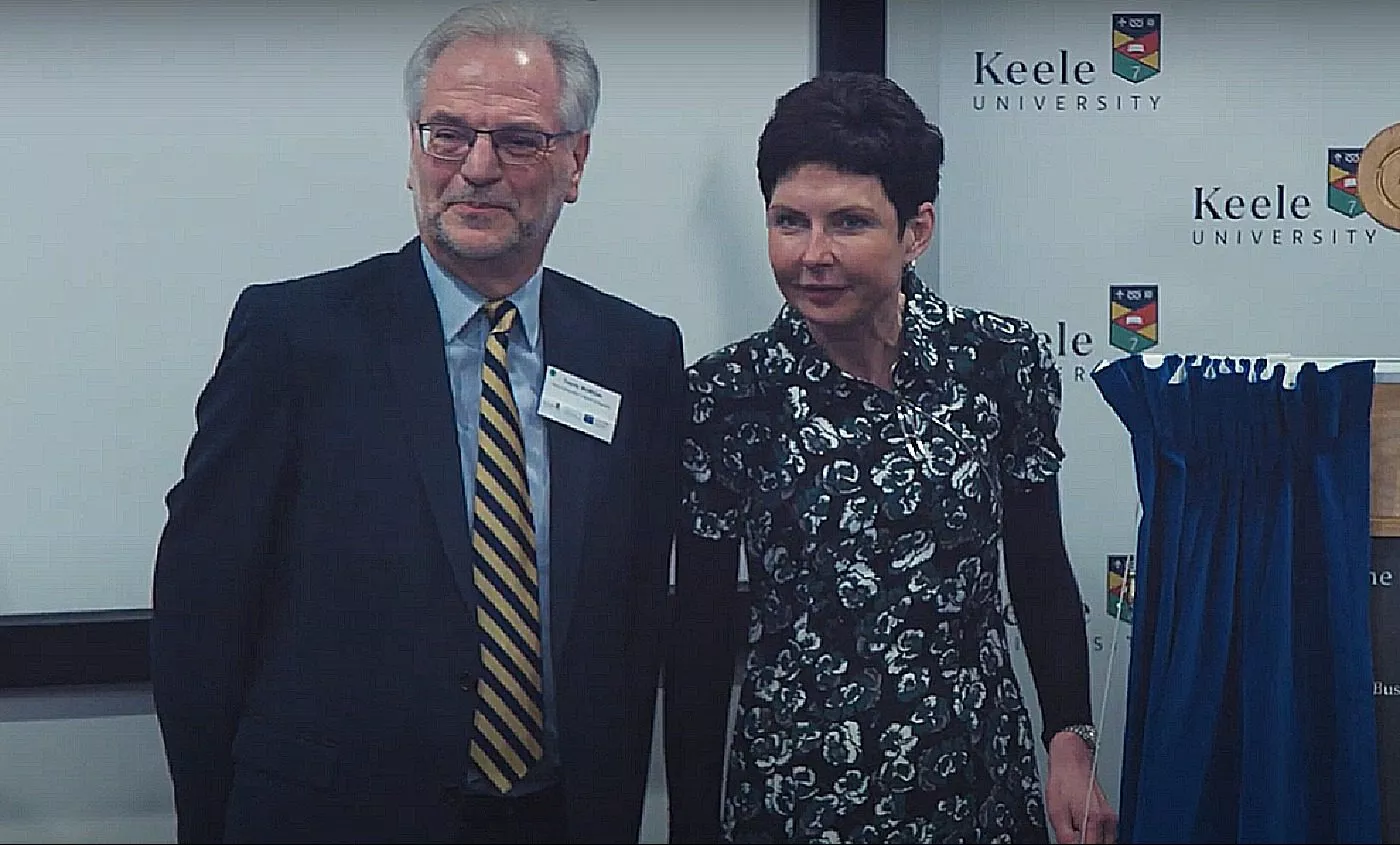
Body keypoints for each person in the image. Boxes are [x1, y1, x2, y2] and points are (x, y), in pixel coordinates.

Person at [150, 3, 684, 843]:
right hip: (333, 818)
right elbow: (201, 604)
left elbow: (635, 614)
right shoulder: (294, 339)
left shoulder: (635, 354)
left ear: (575, 161)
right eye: (448, 135)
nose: (477, 167)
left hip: (560, 815)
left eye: (519, 139)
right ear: (413, 151)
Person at [664, 72, 1118, 844]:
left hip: (977, 785)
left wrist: (1070, 741)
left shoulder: (998, 362)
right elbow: (700, 635)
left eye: (848, 222)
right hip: (796, 797)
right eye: (789, 221)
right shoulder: (728, 394)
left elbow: (1039, 568)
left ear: (916, 230)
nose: (813, 254)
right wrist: (691, 828)